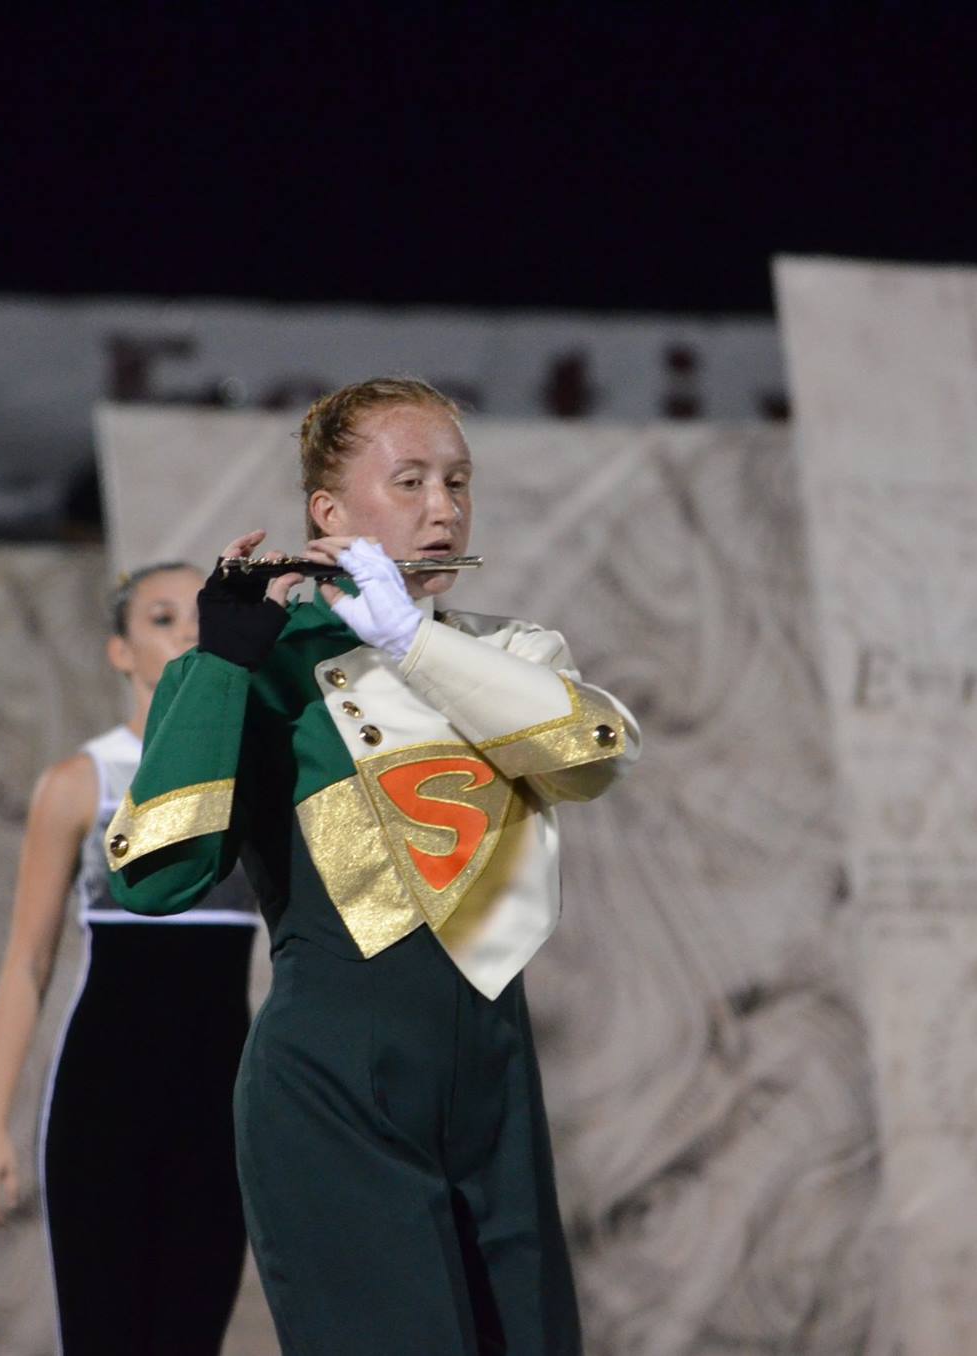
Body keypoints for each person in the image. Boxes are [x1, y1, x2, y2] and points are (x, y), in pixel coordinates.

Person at [107, 377, 640, 1356]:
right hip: (332, 1083)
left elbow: (597, 754)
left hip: (495, 1086)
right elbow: (152, 878)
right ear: (329, 513)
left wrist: (411, 644)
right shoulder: (264, 666)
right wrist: (219, 666)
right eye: (409, 481)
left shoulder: (511, 653)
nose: (442, 509)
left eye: (457, 482)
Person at [0, 562, 257, 1356]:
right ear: (120, 652)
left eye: (205, 613)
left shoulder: (257, 775)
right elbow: (27, 961)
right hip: (106, 1096)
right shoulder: (79, 784)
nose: (190, 630)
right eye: (163, 618)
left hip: (222, 1098)